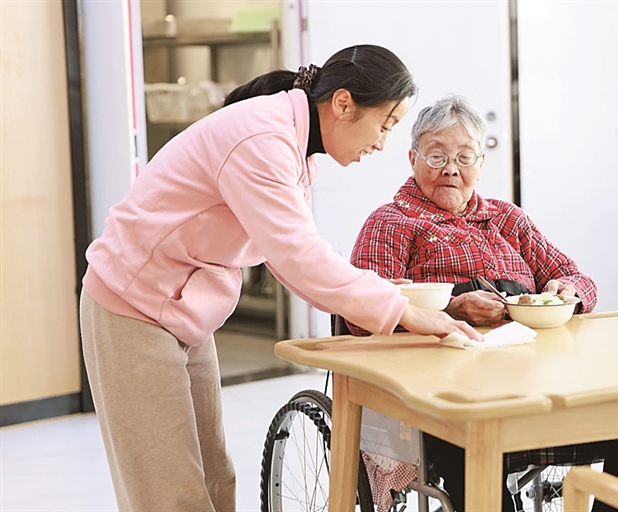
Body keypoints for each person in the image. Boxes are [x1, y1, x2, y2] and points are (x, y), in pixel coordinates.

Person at [79, 45, 482, 512]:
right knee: (170, 492)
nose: (381, 143)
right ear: (343, 104)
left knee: (215, 478)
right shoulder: (262, 140)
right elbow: (295, 255)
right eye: (386, 125)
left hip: (184, 309)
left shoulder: (297, 147)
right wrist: (404, 312)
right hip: (133, 306)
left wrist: (389, 299)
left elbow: (295, 251)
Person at [346, 95, 618, 512]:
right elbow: (360, 317)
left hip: (535, 388)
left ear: (481, 165)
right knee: (472, 443)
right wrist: (451, 309)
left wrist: (565, 293)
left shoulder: (507, 219)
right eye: (437, 156)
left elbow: (580, 280)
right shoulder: (390, 223)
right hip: (448, 402)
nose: (451, 168)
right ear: (413, 158)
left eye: (465, 157)